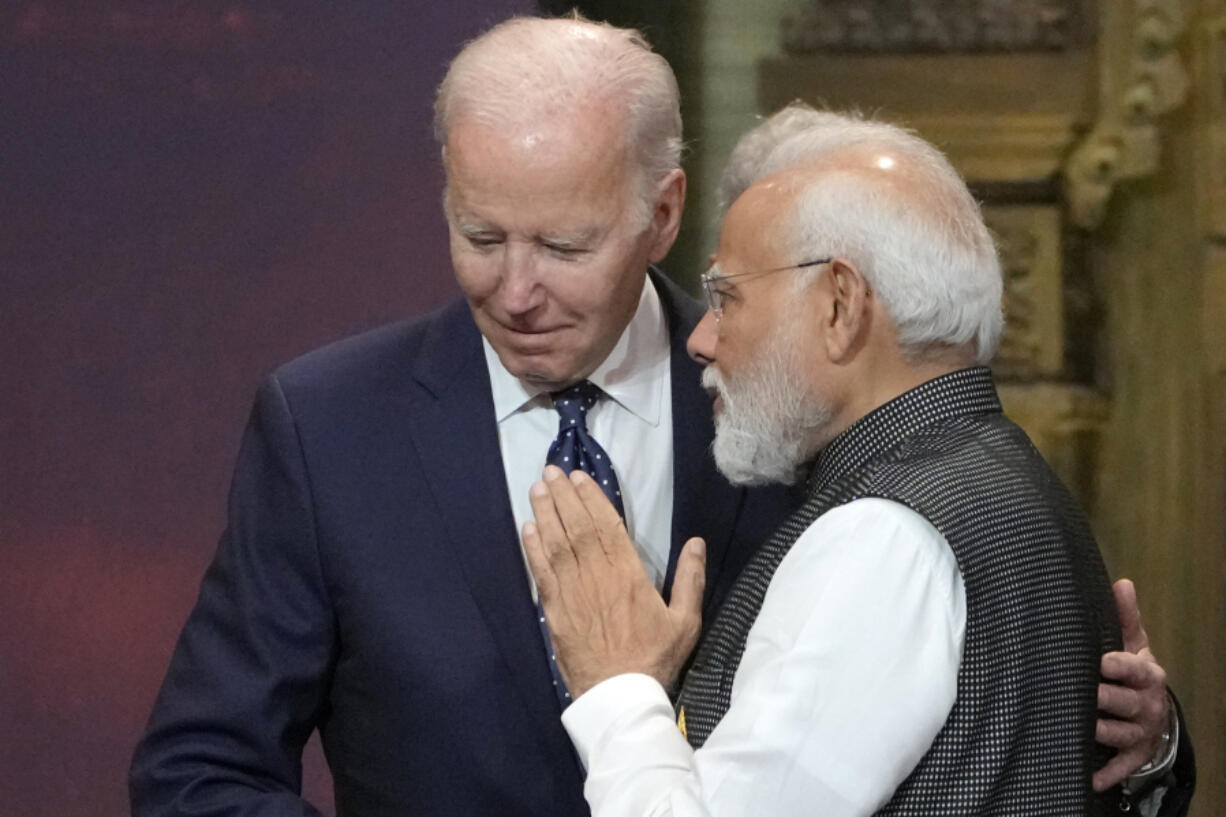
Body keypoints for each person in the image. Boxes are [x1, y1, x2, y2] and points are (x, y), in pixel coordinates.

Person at [129, 17, 1181, 817]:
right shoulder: (327, 427)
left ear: (661, 213)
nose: (515, 288)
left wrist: (1144, 747)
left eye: (565, 244)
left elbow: (979, 719)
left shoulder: (795, 415)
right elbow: (195, 773)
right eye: (480, 234)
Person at [522, 111, 1191, 816]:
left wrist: (619, 685)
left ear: (841, 304)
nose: (704, 338)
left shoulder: (883, 536)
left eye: (727, 296)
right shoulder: (1003, 473)